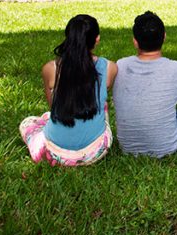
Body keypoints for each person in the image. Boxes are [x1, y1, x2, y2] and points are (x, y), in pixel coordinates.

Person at [114, 11, 177, 158]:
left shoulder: (121, 65)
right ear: (164, 37)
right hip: (167, 146)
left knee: (168, 115)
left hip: (127, 148)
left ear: (135, 41)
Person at [19, 14, 118, 165]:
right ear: (96, 39)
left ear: (68, 37)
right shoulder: (110, 67)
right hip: (95, 151)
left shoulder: (51, 69)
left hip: (54, 152)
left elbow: (53, 107)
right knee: (101, 106)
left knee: (28, 123)